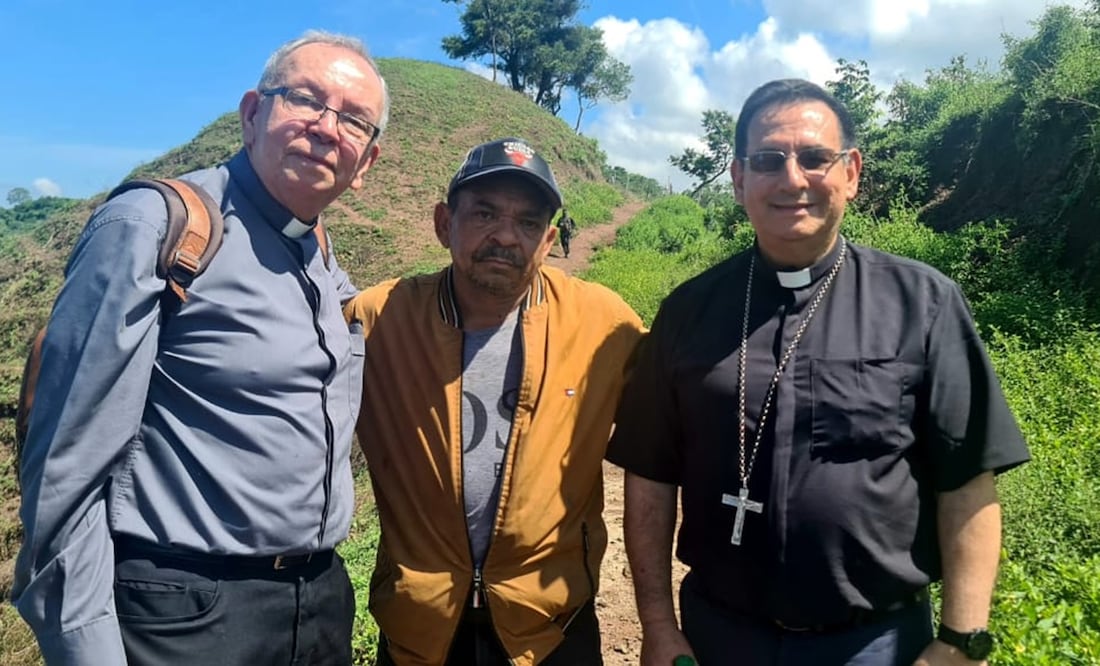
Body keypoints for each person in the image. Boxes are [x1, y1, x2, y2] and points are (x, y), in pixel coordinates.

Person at [607, 79, 1030, 666]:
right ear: (738, 180)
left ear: (851, 173)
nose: (792, 179)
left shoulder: (923, 304)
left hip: (875, 643)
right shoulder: (688, 311)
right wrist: (656, 624)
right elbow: (650, 476)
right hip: (719, 636)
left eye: (814, 157)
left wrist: (962, 640)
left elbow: (968, 478)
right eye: (767, 160)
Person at [13, 30, 389, 665]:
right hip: (187, 614)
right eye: (305, 99)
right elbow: (64, 469)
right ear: (252, 113)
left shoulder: (320, 257)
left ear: (366, 164)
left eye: (354, 120)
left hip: (317, 605)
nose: (328, 128)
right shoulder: (157, 227)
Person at [345, 137, 645, 666]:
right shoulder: (378, 320)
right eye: (484, 214)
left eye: (528, 222)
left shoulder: (604, 324)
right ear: (444, 223)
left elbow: (672, 428)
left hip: (551, 628)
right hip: (420, 628)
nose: (506, 236)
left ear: (548, 240)